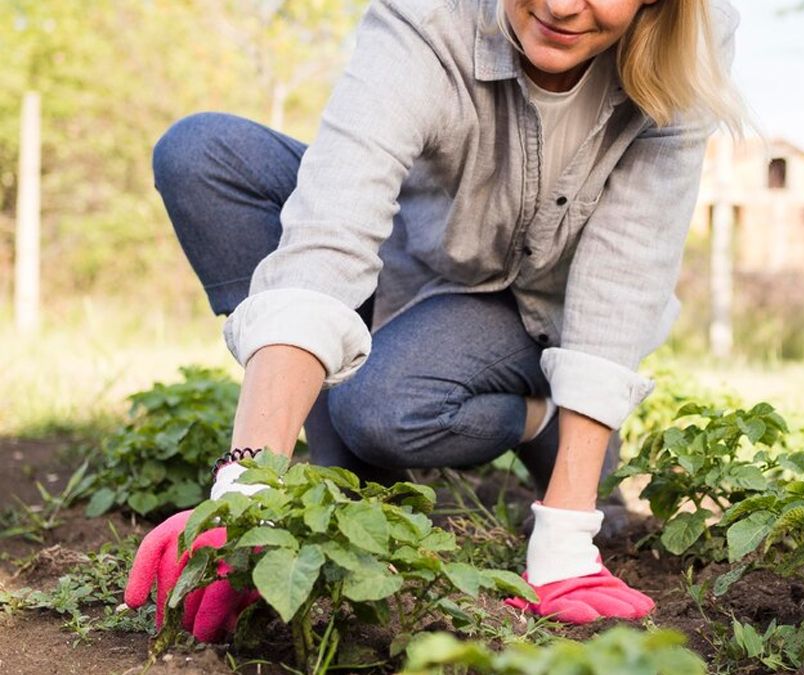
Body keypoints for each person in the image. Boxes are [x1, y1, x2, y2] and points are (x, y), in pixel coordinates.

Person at [123, 0, 748, 641]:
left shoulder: (688, 38)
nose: (562, 6)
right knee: (203, 153)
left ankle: (547, 419)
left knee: (379, 410)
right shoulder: (429, 15)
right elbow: (330, 227)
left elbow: (624, 275)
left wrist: (565, 538)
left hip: (536, 304)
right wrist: (247, 485)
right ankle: (320, 487)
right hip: (418, 251)